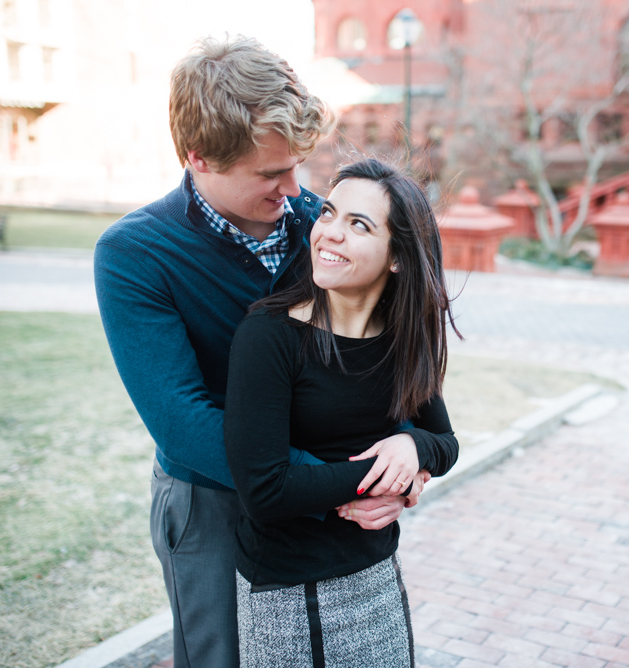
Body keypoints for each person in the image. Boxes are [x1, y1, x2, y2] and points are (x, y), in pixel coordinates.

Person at [94, 37, 426, 668]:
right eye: (270, 173)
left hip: (331, 486)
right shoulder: (134, 254)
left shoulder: (317, 225)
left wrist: (402, 457)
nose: (294, 188)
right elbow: (181, 418)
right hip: (215, 499)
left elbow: (382, 346)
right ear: (199, 158)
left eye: (298, 164)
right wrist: (334, 482)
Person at [224, 158, 460, 667]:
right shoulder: (269, 337)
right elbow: (265, 490)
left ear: (397, 256)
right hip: (286, 591)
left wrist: (412, 447)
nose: (328, 233)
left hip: (376, 574)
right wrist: (383, 480)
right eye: (328, 213)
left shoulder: (403, 340)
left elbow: (445, 443)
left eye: (358, 224)